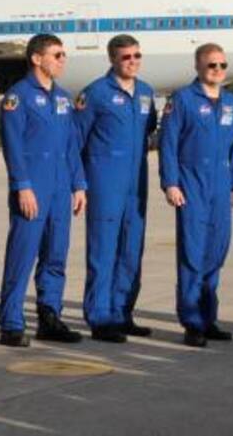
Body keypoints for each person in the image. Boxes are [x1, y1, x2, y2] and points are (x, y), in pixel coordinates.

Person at [0, 34, 87, 347]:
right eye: (57, 54)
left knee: (55, 257)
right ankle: (11, 323)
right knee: (22, 256)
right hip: (33, 189)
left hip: (61, 190)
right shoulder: (17, 97)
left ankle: (50, 317)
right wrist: (22, 186)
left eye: (64, 55)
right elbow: (13, 146)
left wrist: (79, 185)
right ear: (36, 58)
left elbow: (72, 147)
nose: (63, 60)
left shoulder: (63, 98)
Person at [159, 44, 233, 347]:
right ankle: (192, 323)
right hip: (191, 186)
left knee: (216, 254)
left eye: (223, 65)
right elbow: (168, 144)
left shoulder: (232, 104)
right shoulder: (182, 100)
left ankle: (209, 319)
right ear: (198, 67)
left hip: (222, 187)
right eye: (212, 65)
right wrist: (170, 183)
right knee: (192, 256)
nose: (218, 70)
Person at [75, 34, 157, 343]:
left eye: (137, 55)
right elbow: (77, 141)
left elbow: (148, 131)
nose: (133, 62)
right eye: (126, 57)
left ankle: (123, 312)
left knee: (131, 250)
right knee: (103, 251)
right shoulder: (95, 94)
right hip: (105, 183)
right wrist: (80, 183)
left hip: (136, 184)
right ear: (112, 59)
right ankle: (100, 316)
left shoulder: (146, 93)